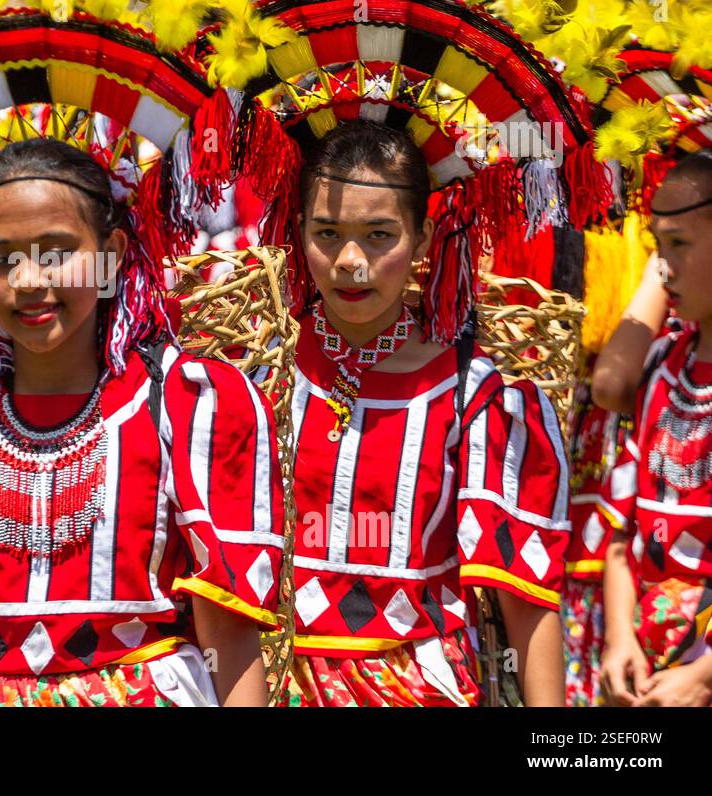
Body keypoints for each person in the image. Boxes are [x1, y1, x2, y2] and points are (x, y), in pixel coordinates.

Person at [0, 138, 282, 707]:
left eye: (56, 252)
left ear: (113, 253)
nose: (27, 280)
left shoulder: (187, 403)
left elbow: (227, 627)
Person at [271, 121, 570, 706]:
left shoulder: (474, 393)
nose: (351, 262)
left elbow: (528, 601)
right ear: (298, 232)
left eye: (379, 235)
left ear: (425, 236)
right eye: (326, 233)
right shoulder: (253, 379)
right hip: (277, 682)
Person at [593, 150, 712, 707]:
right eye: (656, 249)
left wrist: (704, 675)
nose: (662, 269)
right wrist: (619, 640)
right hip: (651, 662)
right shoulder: (664, 364)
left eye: (680, 245)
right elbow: (622, 535)